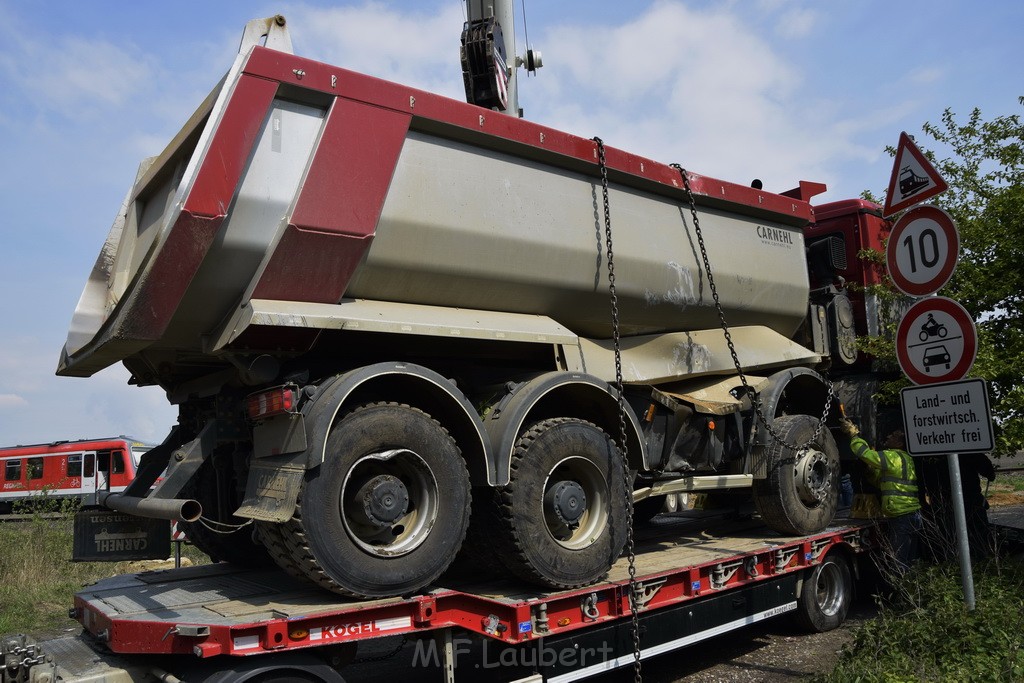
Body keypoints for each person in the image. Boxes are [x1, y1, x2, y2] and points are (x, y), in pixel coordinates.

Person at [839, 419, 922, 571]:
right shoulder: (905, 459)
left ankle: (902, 592)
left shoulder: (893, 457)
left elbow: (864, 453)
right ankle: (912, 589)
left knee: (898, 562)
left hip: (901, 517)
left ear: (900, 443)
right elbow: (881, 482)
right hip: (912, 515)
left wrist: (854, 436)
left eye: (894, 436)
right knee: (909, 561)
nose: (889, 436)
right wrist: (870, 472)